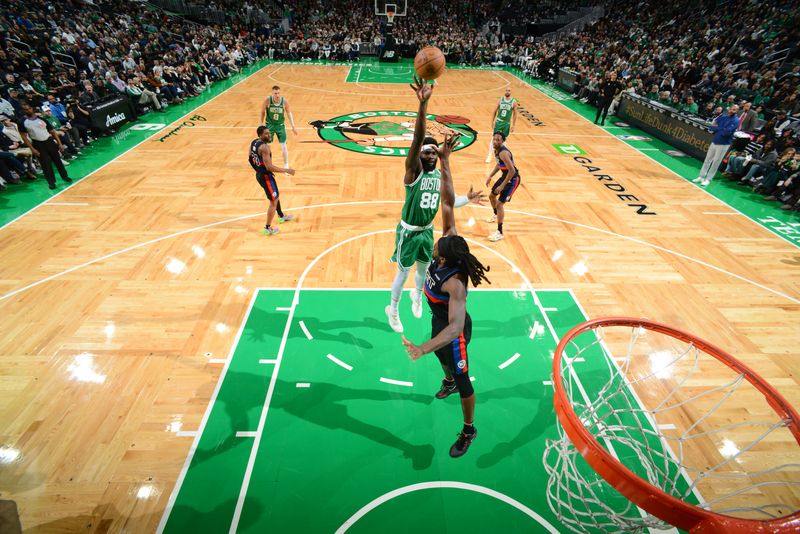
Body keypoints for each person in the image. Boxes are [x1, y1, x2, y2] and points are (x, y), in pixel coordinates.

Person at [402, 132, 491, 458]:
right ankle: (448, 378)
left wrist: (422, 348)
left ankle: (469, 429)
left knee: (462, 375)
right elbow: (448, 203)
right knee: (444, 361)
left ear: (444, 256)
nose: (438, 237)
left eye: (441, 241)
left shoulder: (454, 284)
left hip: (455, 332)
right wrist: (446, 160)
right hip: (438, 323)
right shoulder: (448, 247)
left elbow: (454, 330)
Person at [385, 75, 484, 334]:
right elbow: (417, 140)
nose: (429, 154)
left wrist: (468, 199)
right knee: (403, 273)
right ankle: (392, 309)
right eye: (425, 152)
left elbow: (448, 204)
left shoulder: (438, 175)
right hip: (409, 231)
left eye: (433, 151)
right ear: (419, 155)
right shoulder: (413, 172)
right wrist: (423, 105)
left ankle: (416, 297)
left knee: (423, 269)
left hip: (427, 230)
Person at [249, 125, 296, 236]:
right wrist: (286, 170)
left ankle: (281, 216)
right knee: (273, 201)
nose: (269, 135)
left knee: (275, 196)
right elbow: (269, 167)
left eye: (269, 133)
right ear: (260, 135)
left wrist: (257, 170)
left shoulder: (254, 142)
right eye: (266, 134)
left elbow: (250, 158)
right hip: (265, 177)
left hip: (261, 175)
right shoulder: (264, 148)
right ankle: (267, 228)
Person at [21, 103, 72, 190]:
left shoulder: (41, 119)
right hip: (38, 144)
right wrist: (32, 149)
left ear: (32, 108)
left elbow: (52, 131)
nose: (28, 110)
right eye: (25, 109)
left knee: (58, 161)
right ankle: (51, 182)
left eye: (29, 108)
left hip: (49, 141)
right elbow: (24, 137)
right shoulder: (22, 122)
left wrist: (59, 143)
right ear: (23, 111)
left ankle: (65, 176)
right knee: (46, 165)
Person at [484, 131, 520, 242]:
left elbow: (512, 170)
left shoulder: (503, 153)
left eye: (498, 140)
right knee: (491, 196)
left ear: (503, 141)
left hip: (512, 179)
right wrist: (490, 175)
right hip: (505, 176)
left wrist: (502, 186)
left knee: (500, 204)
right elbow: (499, 164)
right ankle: (496, 215)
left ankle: (500, 232)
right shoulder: (497, 150)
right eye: (494, 139)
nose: (495, 141)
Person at [693, 104, 739, 186]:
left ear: (737, 111)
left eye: (734, 110)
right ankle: (701, 176)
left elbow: (726, 132)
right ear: (729, 109)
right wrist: (721, 128)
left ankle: (708, 179)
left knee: (716, 162)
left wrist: (719, 128)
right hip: (715, 141)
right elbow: (711, 127)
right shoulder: (723, 117)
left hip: (724, 144)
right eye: (731, 109)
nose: (732, 110)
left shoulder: (736, 120)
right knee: (707, 160)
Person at [259, 85, 297, 168]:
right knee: (266, 146)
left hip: (280, 126)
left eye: (278, 93)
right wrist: (261, 124)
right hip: (269, 126)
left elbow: (289, 113)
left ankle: (286, 165)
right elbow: (262, 112)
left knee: (284, 145)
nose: (277, 95)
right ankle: (267, 164)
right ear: (272, 93)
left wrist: (293, 126)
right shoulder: (267, 100)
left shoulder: (284, 101)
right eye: (275, 93)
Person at [486, 87, 517, 163]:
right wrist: (492, 121)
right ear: (505, 91)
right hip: (499, 122)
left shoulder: (513, 102)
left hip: (506, 123)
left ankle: (502, 156)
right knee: (494, 139)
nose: (507, 92)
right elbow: (494, 111)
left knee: (504, 140)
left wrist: (513, 125)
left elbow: (515, 114)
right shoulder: (500, 100)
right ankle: (489, 155)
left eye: (509, 90)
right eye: (506, 90)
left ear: (511, 92)